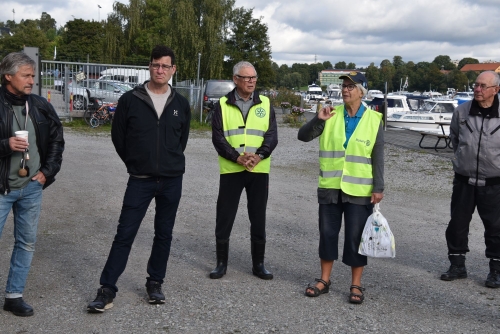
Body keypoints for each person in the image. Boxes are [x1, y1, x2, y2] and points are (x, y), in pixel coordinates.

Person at [87, 45, 191, 313]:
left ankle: (155, 283)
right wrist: (134, 162)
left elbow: (182, 140)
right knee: (124, 234)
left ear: (173, 70)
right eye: (156, 64)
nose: (160, 70)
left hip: (171, 180)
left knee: (163, 234)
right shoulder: (131, 99)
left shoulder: (180, 103)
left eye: (165, 66)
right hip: (140, 179)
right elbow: (118, 137)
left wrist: (168, 161)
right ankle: (107, 288)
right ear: (150, 66)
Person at [298, 71, 384, 304]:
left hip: (359, 189)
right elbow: (302, 136)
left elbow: (378, 157)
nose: (345, 90)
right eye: (344, 86)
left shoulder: (374, 119)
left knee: (356, 237)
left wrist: (379, 186)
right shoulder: (330, 114)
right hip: (330, 187)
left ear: (362, 91)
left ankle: (355, 285)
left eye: (351, 86)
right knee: (327, 234)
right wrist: (318, 119)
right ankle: (324, 280)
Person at [0, 52, 64, 316]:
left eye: (32, 76)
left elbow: (57, 140)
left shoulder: (39, 105)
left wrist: (47, 172)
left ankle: (14, 296)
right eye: (26, 76)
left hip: (31, 188)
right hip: (2, 189)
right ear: (8, 76)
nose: (31, 81)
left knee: (25, 242)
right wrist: (5, 145)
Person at [209, 61, 278, 280]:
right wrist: (237, 157)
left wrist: (260, 155)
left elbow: (272, 135)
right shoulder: (222, 104)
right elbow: (218, 137)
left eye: (254, 78)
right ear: (236, 79)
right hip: (232, 169)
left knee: (258, 217)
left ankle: (259, 264)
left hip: (258, 170)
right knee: (225, 216)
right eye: (247, 78)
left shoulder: (266, 103)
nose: (251, 81)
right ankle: (221, 263)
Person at [441, 71, 500, 287]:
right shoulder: (461, 112)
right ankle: (457, 265)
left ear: (496, 90)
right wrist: (462, 162)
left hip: (494, 183)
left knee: (496, 227)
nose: (477, 89)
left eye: (483, 86)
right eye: (476, 85)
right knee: (457, 224)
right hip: (464, 180)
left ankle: (496, 269)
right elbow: (455, 139)